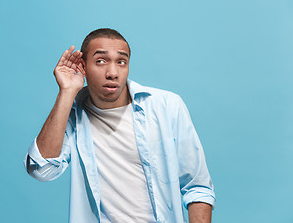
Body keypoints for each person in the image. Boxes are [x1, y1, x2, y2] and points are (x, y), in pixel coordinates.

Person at [24, 28, 216, 223]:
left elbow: (197, 188)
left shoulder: (167, 106)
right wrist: (66, 92)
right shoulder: (72, 116)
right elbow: (42, 169)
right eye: (100, 61)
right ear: (83, 67)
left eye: (121, 62)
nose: (113, 73)